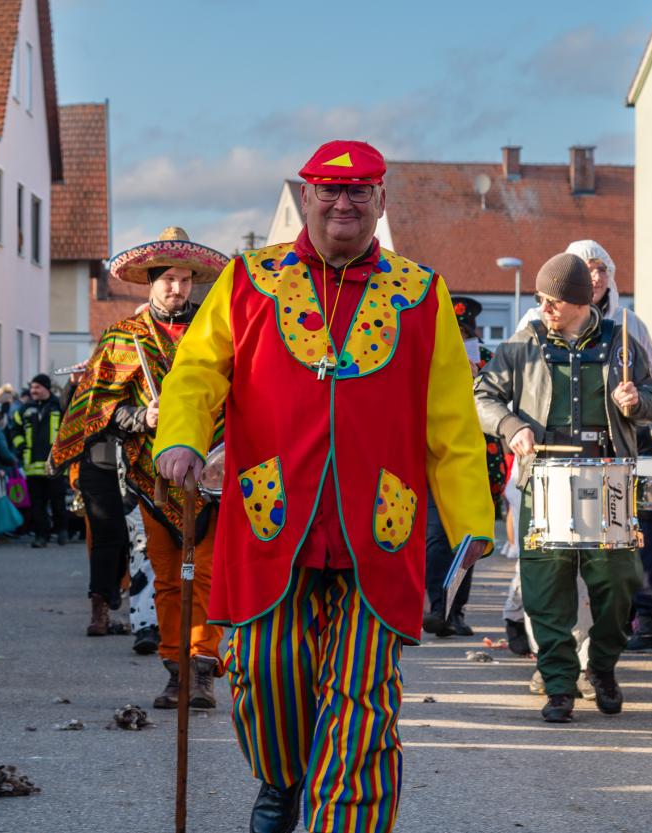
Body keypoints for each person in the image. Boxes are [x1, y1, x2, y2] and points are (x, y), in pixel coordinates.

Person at [154, 141, 494, 833]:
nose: (344, 204)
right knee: (261, 673)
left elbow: (454, 421)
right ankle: (281, 782)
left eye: (359, 192)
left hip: (380, 526)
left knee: (362, 702)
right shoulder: (250, 279)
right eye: (329, 192)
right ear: (306, 197)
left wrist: (470, 521)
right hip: (270, 517)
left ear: (381, 202)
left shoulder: (421, 294)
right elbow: (196, 369)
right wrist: (183, 436)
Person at [476, 252, 652, 724]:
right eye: (540, 299)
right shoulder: (523, 344)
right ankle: (559, 685)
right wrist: (512, 425)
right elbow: (483, 395)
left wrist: (637, 400)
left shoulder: (621, 343)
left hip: (608, 475)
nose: (544, 308)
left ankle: (600, 667)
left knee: (619, 582)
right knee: (545, 588)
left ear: (577, 300)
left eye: (551, 300)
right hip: (543, 476)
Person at [54, 226, 229, 702]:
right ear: (150, 282)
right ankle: (176, 669)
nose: (177, 288)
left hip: (214, 475)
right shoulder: (122, 338)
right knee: (167, 578)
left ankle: (204, 669)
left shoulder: (217, 331)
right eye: (168, 279)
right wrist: (138, 415)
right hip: (150, 476)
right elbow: (93, 407)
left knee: (207, 575)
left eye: (185, 280)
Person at [422, 296, 508, 638]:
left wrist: (476, 381)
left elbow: (503, 402)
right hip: (436, 459)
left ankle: (455, 610)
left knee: (469, 540)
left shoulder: (489, 361)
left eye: (463, 332)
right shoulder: (430, 358)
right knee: (434, 538)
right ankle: (435, 607)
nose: (458, 337)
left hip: (480, 460)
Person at [11, 374, 67, 548]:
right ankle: (41, 536)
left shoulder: (59, 405)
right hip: (32, 465)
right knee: (37, 504)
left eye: (37, 387)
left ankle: (62, 529)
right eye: (32, 387)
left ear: (47, 388)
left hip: (55, 465)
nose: (33, 391)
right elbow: (15, 430)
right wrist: (20, 446)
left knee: (58, 501)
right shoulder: (24, 409)